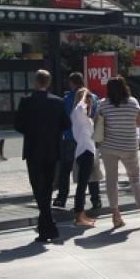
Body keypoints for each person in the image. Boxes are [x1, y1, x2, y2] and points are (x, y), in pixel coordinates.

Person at [14, 70, 71, 243]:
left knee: (38, 186)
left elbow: (18, 125)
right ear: (48, 83)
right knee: (47, 185)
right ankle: (47, 224)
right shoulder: (58, 102)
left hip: (33, 149)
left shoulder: (26, 101)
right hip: (52, 149)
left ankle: (47, 224)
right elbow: (66, 124)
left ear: (36, 82)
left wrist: (32, 132)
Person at [97, 76, 140, 228]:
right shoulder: (133, 102)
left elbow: (99, 124)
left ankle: (116, 216)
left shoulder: (103, 104)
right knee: (135, 179)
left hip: (108, 147)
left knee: (111, 181)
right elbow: (139, 123)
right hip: (129, 147)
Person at [54, 73, 100, 211]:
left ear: (72, 83)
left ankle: (62, 198)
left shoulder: (67, 98)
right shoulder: (94, 98)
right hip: (89, 139)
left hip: (70, 138)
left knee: (65, 169)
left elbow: (63, 119)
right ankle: (96, 199)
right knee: (91, 170)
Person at [67, 88, 98, 229]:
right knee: (82, 185)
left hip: (88, 151)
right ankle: (79, 216)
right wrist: (84, 94)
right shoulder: (78, 112)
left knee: (83, 185)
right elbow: (80, 106)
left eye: (90, 99)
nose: (89, 101)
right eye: (87, 99)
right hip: (84, 152)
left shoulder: (84, 115)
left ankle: (82, 214)